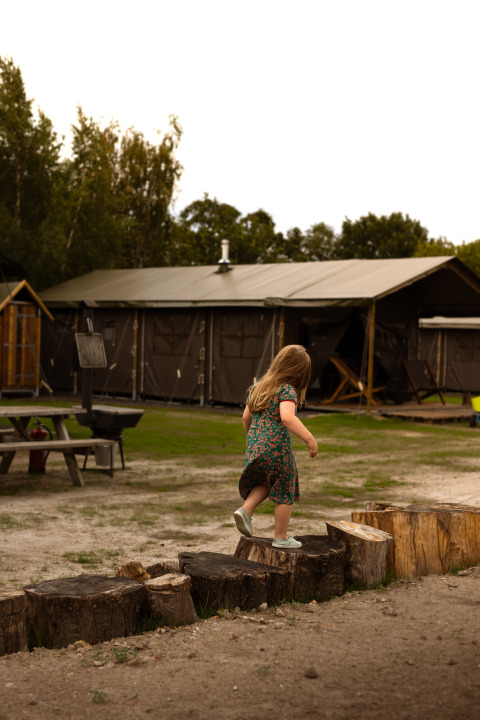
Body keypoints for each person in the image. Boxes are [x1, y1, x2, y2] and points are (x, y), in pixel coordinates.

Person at [233, 344, 318, 549]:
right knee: (285, 486)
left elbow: (246, 417)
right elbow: (287, 417)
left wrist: (255, 440)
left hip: (254, 447)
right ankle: (281, 537)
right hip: (277, 450)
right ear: (300, 374)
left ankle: (245, 511)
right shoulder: (287, 390)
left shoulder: (257, 388)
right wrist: (309, 439)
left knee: (265, 481)